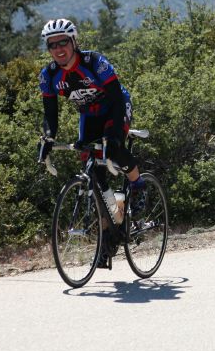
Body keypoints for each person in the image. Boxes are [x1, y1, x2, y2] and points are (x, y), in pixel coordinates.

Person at [36, 18, 145, 264]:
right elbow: (50, 114)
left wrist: (114, 134)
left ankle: (138, 186)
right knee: (94, 174)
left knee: (113, 150)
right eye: (52, 45)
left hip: (115, 108)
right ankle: (110, 232)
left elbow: (116, 97)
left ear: (74, 42)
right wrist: (48, 137)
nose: (58, 49)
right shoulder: (49, 75)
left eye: (63, 42)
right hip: (89, 116)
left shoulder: (95, 62)